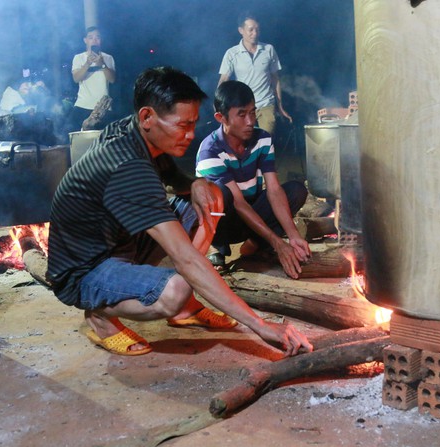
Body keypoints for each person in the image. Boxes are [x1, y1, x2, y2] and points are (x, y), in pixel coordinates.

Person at [47, 66, 312, 358]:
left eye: (193, 125)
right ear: (147, 117)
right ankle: (99, 317)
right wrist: (261, 326)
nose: (189, 136)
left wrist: (196, 182)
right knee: (173, 291)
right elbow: (185, 258)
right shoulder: (129, 167)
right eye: (182, 126)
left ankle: (186, 307)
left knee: (211, 195)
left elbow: (173, 178)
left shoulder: (131, 130)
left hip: (119, 239)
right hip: (85, 269)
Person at [196, 81, 310, 279]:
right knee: (221, 194)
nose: (250, 121)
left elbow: (273, 189)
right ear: (220, 117)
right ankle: (217, 248)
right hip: (225, 223)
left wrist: (293, 235)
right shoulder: (210, 151)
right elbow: (238, 203)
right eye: (241, 114)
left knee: (295, 190)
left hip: (251, 211)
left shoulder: (262, 139)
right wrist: (278, 243)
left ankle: (255, 243)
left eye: (252, 112)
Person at [217, 12, 291, 136]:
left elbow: (275, 79)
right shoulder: (232, 53)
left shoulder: (269, 50)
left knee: (266, 141)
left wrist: (280, 106)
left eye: (257, 29)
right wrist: (219, 104)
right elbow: (224, 80)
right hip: (242, 105)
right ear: (241, 30)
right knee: (245, 142)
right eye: (250, 30)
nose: (255, 33)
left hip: (266, 104)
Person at [68, 26, 116, 132]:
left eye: (97, 37)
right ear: (85, 40)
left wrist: (102, 64)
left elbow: (112, 79)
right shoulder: (79, 58)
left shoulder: (108, 58)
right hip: (83, 105)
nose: (94, 40)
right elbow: (76, 78)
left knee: (103, 142)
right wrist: (87, 63)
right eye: (90, 37)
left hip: (103, 108)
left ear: (100, 40)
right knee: (76, 138)